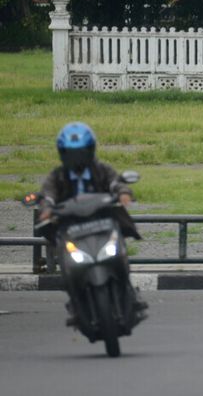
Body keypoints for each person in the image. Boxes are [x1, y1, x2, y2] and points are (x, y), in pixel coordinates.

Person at [38, 122, 146, 322]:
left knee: (119, 250)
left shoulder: (101, 170)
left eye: (81, 153)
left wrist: (123, 193)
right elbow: (48, 193)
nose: (77, 159)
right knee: (65, 256)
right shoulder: (58, 175)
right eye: (71, 154)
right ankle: (75, 300)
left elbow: (116, 182)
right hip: (72, 228)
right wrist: (46, 207)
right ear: (63, 154)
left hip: (101, 223)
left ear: (90, 151)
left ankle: (129, 291)